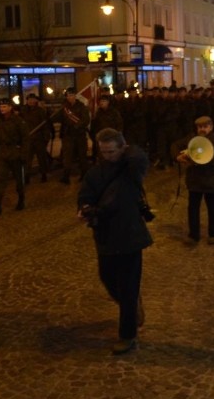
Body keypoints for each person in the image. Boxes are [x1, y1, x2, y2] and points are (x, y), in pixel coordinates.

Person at [77, 128, 152, 355]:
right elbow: (84, 196)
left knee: (128, 288)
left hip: (130, 234)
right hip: (105, 234)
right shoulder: (95, 173)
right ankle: (131, 305)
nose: (107, 155)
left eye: (111, 151)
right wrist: (85, 209)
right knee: (108, 278)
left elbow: (140, 157)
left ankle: (127, 335)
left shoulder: (131, 169)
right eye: (103, 151)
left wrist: (127, 150)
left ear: (122, 148)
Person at [173, 115, 214, 245]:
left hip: (211, 181)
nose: (202, 129)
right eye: (200, 127)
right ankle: (194, 235)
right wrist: (178, 156)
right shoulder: (192, 138)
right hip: (195, 181)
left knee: (213, 209)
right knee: (193, 209)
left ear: (211, 127)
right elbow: (175, 145)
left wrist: (191, 160)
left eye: (205, 127)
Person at [0, 98, 30, 216]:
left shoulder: (18, 121)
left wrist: (24, 155)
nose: (2, 109)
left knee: (19, 180)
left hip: (15, 153)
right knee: (0, 179)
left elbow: (25, 138)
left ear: (10, 107)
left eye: (4, 107)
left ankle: (21, 199)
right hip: (3, 153)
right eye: (1, 107)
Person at [57, 87, 91, 184]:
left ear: (75, 96)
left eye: (72, 95)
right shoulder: (64, 108)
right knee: (67, 157)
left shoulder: (82, 107)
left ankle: (84, 175)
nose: (70, 97)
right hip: (68, 135)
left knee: (82, 156)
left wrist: (77, 126)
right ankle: (66, 176)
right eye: (68, 96)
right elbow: (58, 118)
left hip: (79, 135)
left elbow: (86, 120)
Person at [19, 93, 54, 183]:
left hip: (39, 139)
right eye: (29, 99)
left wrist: (46, 137)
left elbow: (45, 125)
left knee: (41, 158)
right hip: (28, 139)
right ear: (27, 100)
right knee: (27, 159)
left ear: (36, 100)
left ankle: (43, 174)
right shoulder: (22, 111)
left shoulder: (40, 111)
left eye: (33, 99)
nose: (31, 101)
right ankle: (26, 176)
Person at [90, 94, 123, 162]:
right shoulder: (98, 113)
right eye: (101, 101)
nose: (101, 103)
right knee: (102, 156)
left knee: (112, 156)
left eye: (104, 101)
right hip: (101, 138)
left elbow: (119, 125)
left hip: (111, 138)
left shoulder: (114, 112)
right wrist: (94, 136)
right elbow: (94, 126)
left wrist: (116, 135)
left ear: (108, 102)